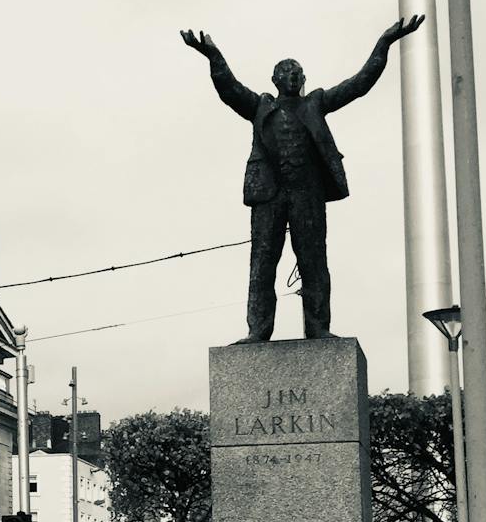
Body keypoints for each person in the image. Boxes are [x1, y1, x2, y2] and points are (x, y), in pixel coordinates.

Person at [180, 17, 423, 342]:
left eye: (297, 73)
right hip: (269, 194)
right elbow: (229, 88)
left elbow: (359, 84)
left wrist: (385, 43)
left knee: (313, 262)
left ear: (303, 79)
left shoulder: (316, 103)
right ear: (275, 79)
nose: (293, 76)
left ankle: (318, 327)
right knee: (263, 264)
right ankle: (258, 330)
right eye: (286, 72)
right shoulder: (260, 106)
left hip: (307, 194)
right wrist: (213, 56)